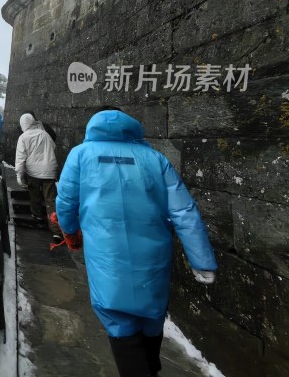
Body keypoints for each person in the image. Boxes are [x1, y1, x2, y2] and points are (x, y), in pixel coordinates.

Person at [55, 109, 217, 377]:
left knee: (119, 322)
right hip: (153, 259)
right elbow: (184, 210)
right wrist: (201, 260)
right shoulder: (154, 158)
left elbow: (66, 203)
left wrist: (70, 234)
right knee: (152, 318)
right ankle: (151, 366)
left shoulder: (80, 155)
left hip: (107, 258)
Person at [15, 113, 61, 241]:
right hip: (49, 170)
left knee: (34, 193)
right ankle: (56, 230)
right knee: (51, 200)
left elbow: (20, 159)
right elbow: (54, 148)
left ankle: (37, 216)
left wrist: (19, 175)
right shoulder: (44, 134)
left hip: (33, 172)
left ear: (23, 124)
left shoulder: (23, 137)